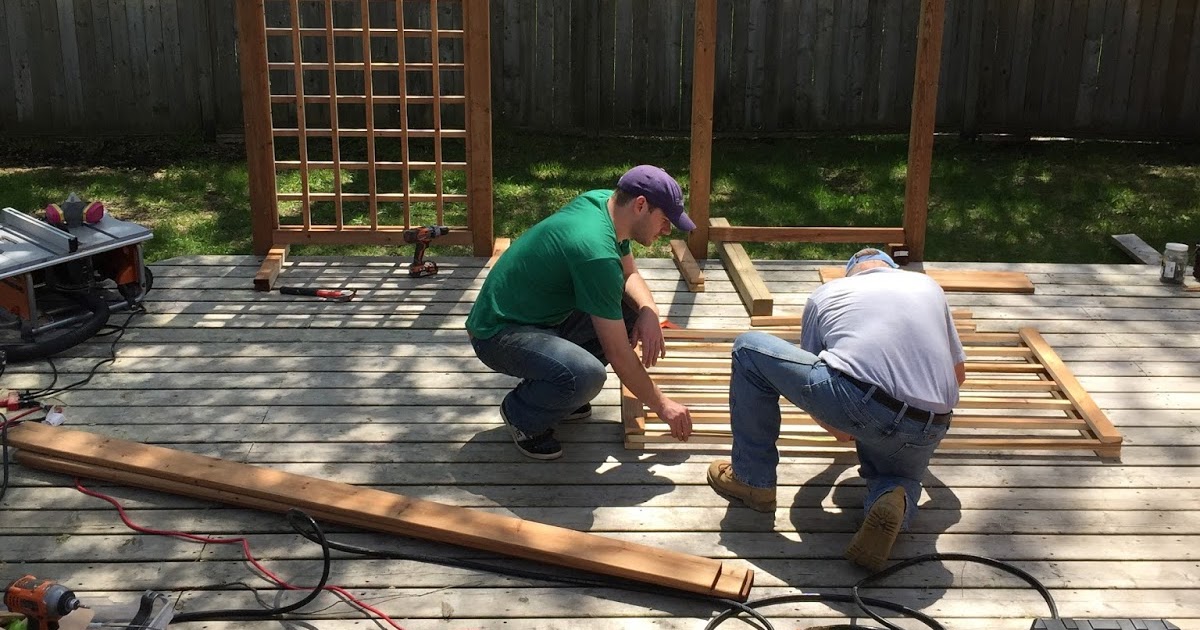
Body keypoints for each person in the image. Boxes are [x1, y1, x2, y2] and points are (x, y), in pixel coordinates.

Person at [706, 248, 966, 571]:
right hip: (931, 423)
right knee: (899, 479)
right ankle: (895, 498)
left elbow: (816, 374)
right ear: (891, 268)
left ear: (851, 273)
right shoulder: (928, 287)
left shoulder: (826, 294)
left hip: (861, 402)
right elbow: (958, 375)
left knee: (748, 349)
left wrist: (841, 429)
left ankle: (752, 481)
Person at [467, 165, 695, 460]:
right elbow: (618, 354)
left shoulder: (606, 205)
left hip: (537, 316)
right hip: (497, 333)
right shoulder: (595, 252)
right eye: (664, 220)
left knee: (631, 309)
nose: (666, 230)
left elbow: (629, 275)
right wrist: (663, 405)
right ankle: (522, 414)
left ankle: (561, 393)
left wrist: (649, 311)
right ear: (640, 205)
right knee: (586, 375)